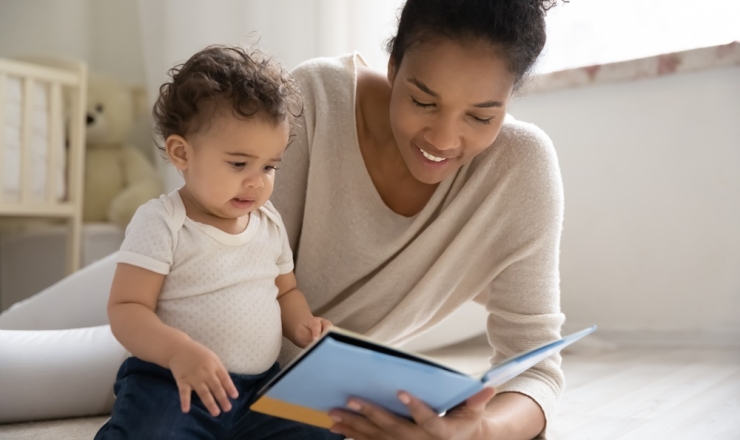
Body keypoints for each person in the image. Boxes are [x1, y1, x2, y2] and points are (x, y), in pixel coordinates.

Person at [0, 0, 566, 439]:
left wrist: (483, 429)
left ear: (510, 101)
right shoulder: (315, 98)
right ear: (394, 65)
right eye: (422, 100)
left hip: (262, 371)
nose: (444, 139)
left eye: (481, 115)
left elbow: (536, 363)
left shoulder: (522, 172)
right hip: (174, 285)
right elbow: (221, 228)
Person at [94, 45, 338, 440]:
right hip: (174, 381)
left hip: (258, 389)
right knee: (156, 431)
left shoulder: (268, 221)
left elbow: (285, 291)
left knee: (327, 422)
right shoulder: (164, 222)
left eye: (269, 166)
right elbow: (127, 308)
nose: (257, 181)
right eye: (239, 164)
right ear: (181, 153)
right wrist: (177, 352)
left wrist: (305, 326)